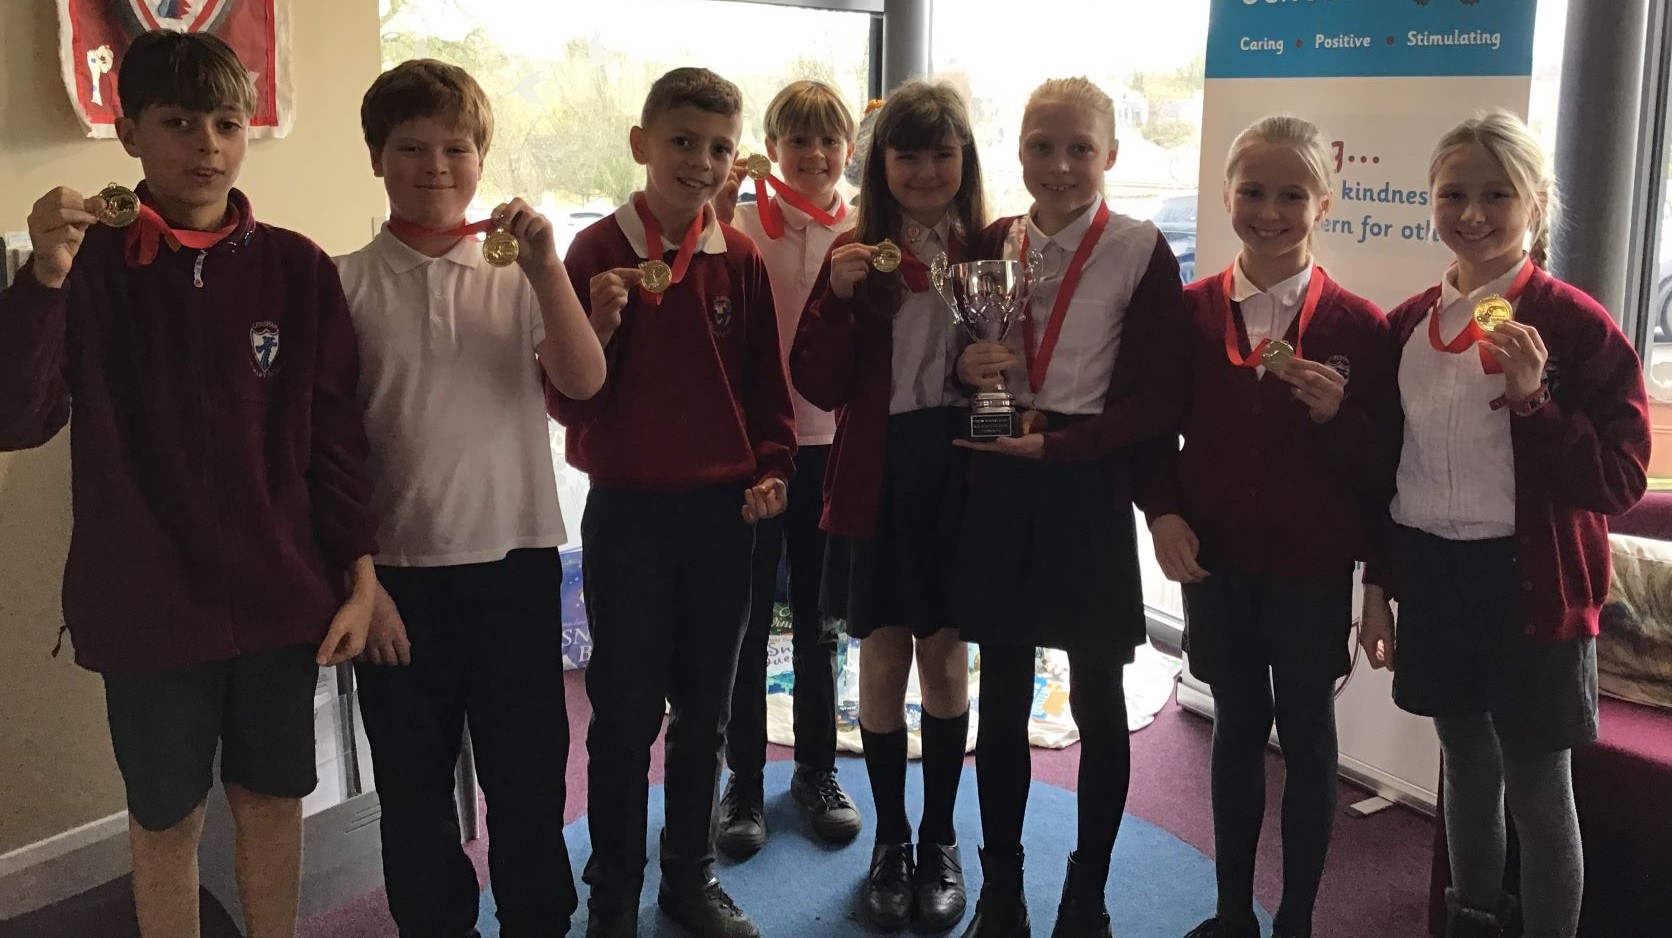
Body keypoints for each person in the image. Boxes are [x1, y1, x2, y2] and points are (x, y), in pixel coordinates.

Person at [0, 29, 377, 938]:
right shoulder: (85, 265)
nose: (206, 145)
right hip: (147, 607)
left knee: (272, 801)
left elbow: (335, 438)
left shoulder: (296, 268)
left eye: (226, 123)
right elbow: (17, 419)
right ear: (128, 131)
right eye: (177, 123)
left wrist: (360, 575)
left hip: (281, 596)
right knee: (166, 819)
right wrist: (43, 278)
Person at [1359, 110, 1650, 938]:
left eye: (1497, 195)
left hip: (1533, 586)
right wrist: (1378, 588)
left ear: (1537, 203)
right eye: (1454, 193)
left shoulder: (1576, 325)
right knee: (1465, 767)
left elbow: (1620, 481)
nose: (1473, 213)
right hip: (1435, 575)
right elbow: (1389, 473)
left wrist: (1535, 401)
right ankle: (1474, 921)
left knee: (1538, 790)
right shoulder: (1407, 325)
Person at [337, 59, 607, 938]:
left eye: (456, 147)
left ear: (482, 158)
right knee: (412, 788)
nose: (436, 166)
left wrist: (547, 269)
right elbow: (327, 446)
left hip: (514, 563)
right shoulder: (341, 283)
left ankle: (539, 921)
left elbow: (584, 381)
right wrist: (361, 581)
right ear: (377, 157)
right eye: (411, 147)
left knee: (528, 778)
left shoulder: (519, 273)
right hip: (396, 580)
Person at [550, 66, 797, 938]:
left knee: (706, 712)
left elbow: (766, 388)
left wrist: (773, 468)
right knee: (623, 716)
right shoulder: (595, 253)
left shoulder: (742, 257)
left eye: (720, 147)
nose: (702, 161)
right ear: (641, 144)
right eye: (683, 141)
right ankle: (614, 893)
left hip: (723, 518)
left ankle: (687, 878)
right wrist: (600, 326)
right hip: (629, 516)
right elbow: (568, 401)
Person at [1139, 115, 1394, 938]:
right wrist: (1162, 511)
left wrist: (1336, 418)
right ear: (1226, 195)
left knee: (1310, 740)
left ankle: (1297, 921)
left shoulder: (1358, 325)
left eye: (1292, 194)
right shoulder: (1189, 312)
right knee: (1235, 731)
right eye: (1253, 191)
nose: (1271, 211)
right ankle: (1230, 914)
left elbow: (1382, 471)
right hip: (1217, 564)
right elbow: (1152, 432)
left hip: (1310, 569)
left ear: (1325, 202)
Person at [952, 77, 1189, 938]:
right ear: (1018, 151)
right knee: (1003, 695)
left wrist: (1064, 446)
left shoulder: (1140, 249)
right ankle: (1002, 890)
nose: (1059, 165)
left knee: (1097, 695)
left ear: (1110, 155)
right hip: (1000, 481)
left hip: (1085, 485)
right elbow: (961, 356)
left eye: (1079, 148)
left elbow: (1161, 399)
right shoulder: (990, 242)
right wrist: (968, 372)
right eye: (1041, 146)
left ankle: (1087, 894)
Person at [790, 79, 984, 934]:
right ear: (882, 164)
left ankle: (940, 837)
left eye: (943, 153)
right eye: (908, 155)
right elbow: (817, 382)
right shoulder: (855, 252)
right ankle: (891, 841)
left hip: (959, 470)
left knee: (945, 656)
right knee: (881, 656)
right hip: (876, 472)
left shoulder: (986, 248)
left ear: (964, 159)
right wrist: (834, 299)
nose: (927, 170)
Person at [713, 78, 863, 855]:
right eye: (797, 139)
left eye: (828, 139)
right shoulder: (737, 224)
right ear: (771, 148)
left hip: (837, 447)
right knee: (744, 623)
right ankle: (742, 778)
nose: (813, 153)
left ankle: (816, 769)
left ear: (848, 149)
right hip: (755, 451)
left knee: (821, 621)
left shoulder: (867, 230)